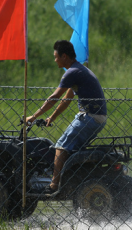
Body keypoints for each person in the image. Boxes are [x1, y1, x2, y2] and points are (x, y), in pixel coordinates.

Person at [26, 40, 107, 194]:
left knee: (61, 146)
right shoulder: (79, 70)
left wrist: (34, 116)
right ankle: (72, 181)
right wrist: (52, 117)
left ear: (64, 56)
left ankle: (53, 186)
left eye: (56, 57)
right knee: (73, 149)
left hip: (89, 116)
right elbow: (67, 99)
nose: (55, 60)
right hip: (98, 118)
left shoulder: (71, 72)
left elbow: (55, 97)